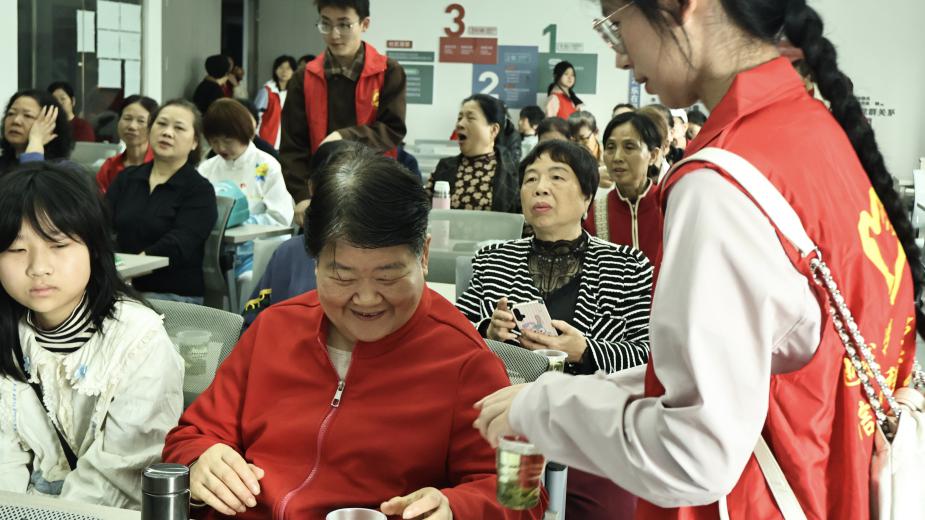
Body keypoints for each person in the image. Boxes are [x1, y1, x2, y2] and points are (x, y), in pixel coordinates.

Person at [475, 1, 922, 519]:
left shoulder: (719, 183)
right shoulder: (812, 132)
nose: (621, 58)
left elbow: (692, 452)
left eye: (617, 27)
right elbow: (735, 367)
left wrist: (543, 410)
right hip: (830, 480)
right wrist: (552, 396)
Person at [162, 151, 546, 519]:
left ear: (424, 255)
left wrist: (455, 507)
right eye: (342, 276)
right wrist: (200, 459)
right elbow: (191, 434)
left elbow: (522, 496)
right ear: (315, 263)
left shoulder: (465, 360)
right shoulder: (274, 329)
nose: (366, 299)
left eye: (387, 276)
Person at [456, 139, 652, 519]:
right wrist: (487, 331)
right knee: (507, 507)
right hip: (507, 427)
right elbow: (454, 336)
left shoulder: (627, 267)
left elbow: (647, 355)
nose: (540, 188)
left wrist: (586, 351)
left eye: (557, 177)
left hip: (589, 431)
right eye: (530, 179)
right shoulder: (492, 259)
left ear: (587, 197)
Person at [0, 162, 183, 509]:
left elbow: (118, 473)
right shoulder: (10, 332)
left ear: (94, 249)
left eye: (58, 245)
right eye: (16, 249)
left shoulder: (138, 340)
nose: (38, 267)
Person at [280, 0, 407, 217]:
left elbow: (392, 129)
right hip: (321, 193)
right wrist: (302, 196)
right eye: (326, 24)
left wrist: (344, 137)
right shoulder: (304, 77)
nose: (334, 34)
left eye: (344, 25)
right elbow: (293, 146)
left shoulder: (388, 71)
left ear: (364, 24)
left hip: (373, 191)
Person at [241, 140, 364, 329]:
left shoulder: (385, 253)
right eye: (338, 187)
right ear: (312, 188)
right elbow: (253, 324)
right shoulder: (290, 252)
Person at [106, 99, 217, 303]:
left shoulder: (200, 190)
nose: (167, 132)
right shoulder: (127, 178)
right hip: (120, 285)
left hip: (172, 294)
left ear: (194, 142)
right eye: (161, 124)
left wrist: (127, 268)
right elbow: (100, 223)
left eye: (179, 128)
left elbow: (179, 244)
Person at [198, 99, 294, 279]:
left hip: (257, 250)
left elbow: (280, 217)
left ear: (245, 133)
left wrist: (241, 224)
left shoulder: (265, 166)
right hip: (215, 251)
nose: (220, 148)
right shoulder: (207, 168)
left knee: (246, 279)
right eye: (214, 141)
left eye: (227, 140)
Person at [583, 111, 664, 268]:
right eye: (610, 147)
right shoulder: (594, 212)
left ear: (653, 155)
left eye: (629, 147)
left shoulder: (668, 205)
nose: (617, 157)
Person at [426, 94, 519, 212]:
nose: (460, 124)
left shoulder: (515, 173)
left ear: (493, 130)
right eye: (459, 118)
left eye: (470, 118)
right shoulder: (443, 167)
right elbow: (423, 212)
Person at [0, 90, 74, 175]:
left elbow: (27, 181)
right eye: (11, 113)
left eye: (28, 116)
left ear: (51, 124)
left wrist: (35, 141)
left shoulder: (63, 170)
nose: (16, 121)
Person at [95, 95, 157, 193]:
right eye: (127, 118)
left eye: (141, 121)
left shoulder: (162, 164)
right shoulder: (109, 167)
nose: (132, 126)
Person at [255, 55, 297, 149]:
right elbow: (255, 116)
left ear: (294, 71)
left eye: (288, 68)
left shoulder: (295, 92)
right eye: (281, 67)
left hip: (287, 143)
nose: (284, 71)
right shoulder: (267, 91)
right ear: (275, 69)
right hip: (266, 142)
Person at [567, 110, 612, 190]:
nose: (579, 144)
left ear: (596, 132)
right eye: (574, 140)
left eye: (583, 138)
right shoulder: (567, 159)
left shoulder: (610, 155)